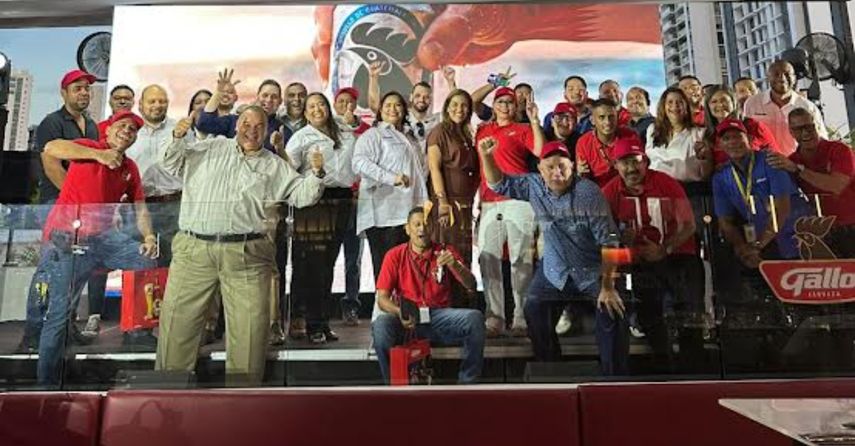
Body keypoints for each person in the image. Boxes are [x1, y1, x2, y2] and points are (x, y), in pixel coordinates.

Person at [156, 106, 325, 386]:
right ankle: (165, 401)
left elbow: (302, 195)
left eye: (259, 126)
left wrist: (317, 174)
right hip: (194, 252)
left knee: (250, 335)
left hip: (247, 255)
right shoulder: (209, 148)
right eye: (246, 123)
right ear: (236, 125)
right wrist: (176, 137)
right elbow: (170, 164)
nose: (251, 130)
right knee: (177, 328)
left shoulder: (274, 165)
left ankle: (242, 401)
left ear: (266, 131)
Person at [28, 111, 158, 385]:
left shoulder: (130, 167)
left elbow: (140, 207)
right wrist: (99, 155)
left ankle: (137, 331)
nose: (127, 131)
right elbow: (51, 148)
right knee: (58, 314)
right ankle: (45, 386)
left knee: (144, 259)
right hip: (69, 238)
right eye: (122, 126)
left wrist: (148, 237)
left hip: (103, 237)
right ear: (107, 130)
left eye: (133, 130)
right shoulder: (88, 147)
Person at [482, 139, 628, 374]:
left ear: (572, 167)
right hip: (554, 270)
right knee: (533, 307)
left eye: (562, 166)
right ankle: (552, 371)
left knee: (612, 308)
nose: (556, 172)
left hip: (592, 271)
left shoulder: (589, 194)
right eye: (550, 167)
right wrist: (487, 156)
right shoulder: (534, 185)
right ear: (540, 170)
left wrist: (609, 286)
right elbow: (498, 184)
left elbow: (611, 241)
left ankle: (613, 379)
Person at [602, 140, 706, 370]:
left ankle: (695, 369)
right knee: (649, 313)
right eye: (624, 163)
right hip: (639, 260)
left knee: (689, 311)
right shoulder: (609, 192)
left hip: (676, 253)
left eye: (636, 162)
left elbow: (689, 225)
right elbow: (604, 234)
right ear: (615, 165)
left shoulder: (666, 183)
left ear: (646, 162)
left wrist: (665, 248)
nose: (631, 168)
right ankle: (664, 366)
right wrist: (622, 239)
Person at [23, 69, 101, 351]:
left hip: (83, 212)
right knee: (49, 271)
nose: (84, 92)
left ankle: (65, 326)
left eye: (87, 88)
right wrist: (75, 198)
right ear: (64, 93)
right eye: (77, 88)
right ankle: (33, 332)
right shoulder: (51, 123)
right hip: (57, 206)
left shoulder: (91, 126)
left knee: (76, 272)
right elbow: (51, 166)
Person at [372, 206, 483, 384]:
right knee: (381, 325)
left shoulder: (445, 251)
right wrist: (400, 312)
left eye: (425, 224)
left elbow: (471, 284)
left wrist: (455, 265)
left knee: (474, 319)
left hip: (438, 317)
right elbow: (382, 299)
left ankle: (467, 383)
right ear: (407, 229)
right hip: (408, 317)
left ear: (432, 228)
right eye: (416, 224)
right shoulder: (394, 255)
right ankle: (392, 385)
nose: (421, 229)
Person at [285, 92, 358, 344]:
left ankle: (323, 322)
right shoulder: (301, 137)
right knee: (310, 265)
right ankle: (309, 322)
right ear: (305, 113)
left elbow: (355, 130)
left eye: (321, 105)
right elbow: (288, 169)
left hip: (342, 199)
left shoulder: (343, 131)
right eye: (312, 106)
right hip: (314, 200)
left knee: (328, 263)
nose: (317, 109)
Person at [475, 86, 544, 337]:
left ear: (516, 107)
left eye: (509, 102)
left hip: (518, 200)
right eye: (500, 102)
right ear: (494, 106)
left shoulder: (522, 129)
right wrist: (494, 83)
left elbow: (540, 151)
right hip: (489, 202)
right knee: (488, 259)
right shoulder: (482, 130)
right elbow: (471, 101)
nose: (505, 106)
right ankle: (494, 318)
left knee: (521, 260)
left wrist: (534, 121)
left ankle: (521, 317)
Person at [352, 92, 429, 283]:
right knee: (386, 274)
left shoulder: (409, 137)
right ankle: (383, 304)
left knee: (406, 274)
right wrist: (391, 178)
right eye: (388, 105)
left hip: (406, 214)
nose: (393, 109)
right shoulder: (374, 135)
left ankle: (403, 304)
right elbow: (359, 163)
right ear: (380, 110)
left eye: (398, 105)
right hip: (384, 216)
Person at [713, 118, 806, 264]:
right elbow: (725, 222)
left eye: (738, 136)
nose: (733, 142)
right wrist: (742, 248)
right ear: (720, 145)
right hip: (762, 245)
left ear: (749, 139)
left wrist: (758, 246)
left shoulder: (770, 160)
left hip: (797, 238)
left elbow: (782, 208)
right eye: (726, 138)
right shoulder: (721, 177)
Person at [767, 108, 855, 259]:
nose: (805, 133)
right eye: (798, 129)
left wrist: (798, 170)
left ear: (816, 125)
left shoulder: (839, 150)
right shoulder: (792, 160)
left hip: (851, 223)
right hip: (822, 229)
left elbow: (837, 186)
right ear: (791, 132)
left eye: (809, 127)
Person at [426, 89, 480, 305]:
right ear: (447, 107)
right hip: (446, 206)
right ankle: (444, 305)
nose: (460, 109)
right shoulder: (439, 132)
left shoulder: (466, 133)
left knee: (463, 257)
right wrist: (442, 201)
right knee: (446, 253)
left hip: (465, 207)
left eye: (464, 105)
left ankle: (463, 308)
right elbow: (434, 168)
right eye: (455, 104)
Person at [743, 61, 827, 156]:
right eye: (776, 74)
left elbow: (821, 139)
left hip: (797, 162)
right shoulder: (752, 103)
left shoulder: (807, 107)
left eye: (787, 74)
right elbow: (746, 136)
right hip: (764, 162)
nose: (782, 78)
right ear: (768, 78)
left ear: (794, 78)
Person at [196, 69, 290, 153]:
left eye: (274, 97)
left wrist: (280, 149)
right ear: (257, 97)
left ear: (280, 101)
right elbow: (204, 124)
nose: (269, 100)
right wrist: (218, 93)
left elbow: (288, 162)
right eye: (265, 95)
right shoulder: (234, 120)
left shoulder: (283, 132)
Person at [699, 85, 780, 166]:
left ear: (733, 102)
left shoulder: (754, 126)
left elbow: (776, 156)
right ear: (708, 107)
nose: (720, 105)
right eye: (714, 102)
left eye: (724, 100)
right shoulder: (709, 134)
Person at [646, 87, 711, 182]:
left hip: (688, 188)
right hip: (657, 185)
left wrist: (704, 157)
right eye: (670, 102)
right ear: (663, 106)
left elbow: (707, 173)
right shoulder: (652, 129)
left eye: (679, 102)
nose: (674, 106)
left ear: (686, 107)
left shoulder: (699, 133)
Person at [575, 98, 642, 187]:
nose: (607, 122)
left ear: (617, 117)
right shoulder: (584, 142)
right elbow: (584, 178)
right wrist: (580, 173)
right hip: (599, 190)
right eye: (601, 117)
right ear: (592, 120)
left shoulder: (630, 135)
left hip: (629, 186)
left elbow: (640, 167)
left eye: (611, 117)